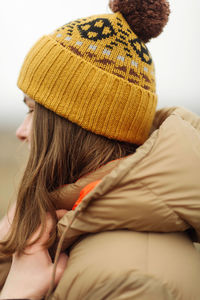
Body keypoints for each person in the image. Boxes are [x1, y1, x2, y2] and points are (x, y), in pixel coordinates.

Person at [0, 0, 200, 299]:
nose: (21, 132)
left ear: (77, 127)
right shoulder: (64, 223)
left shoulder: (135, 281)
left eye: (33, 111)